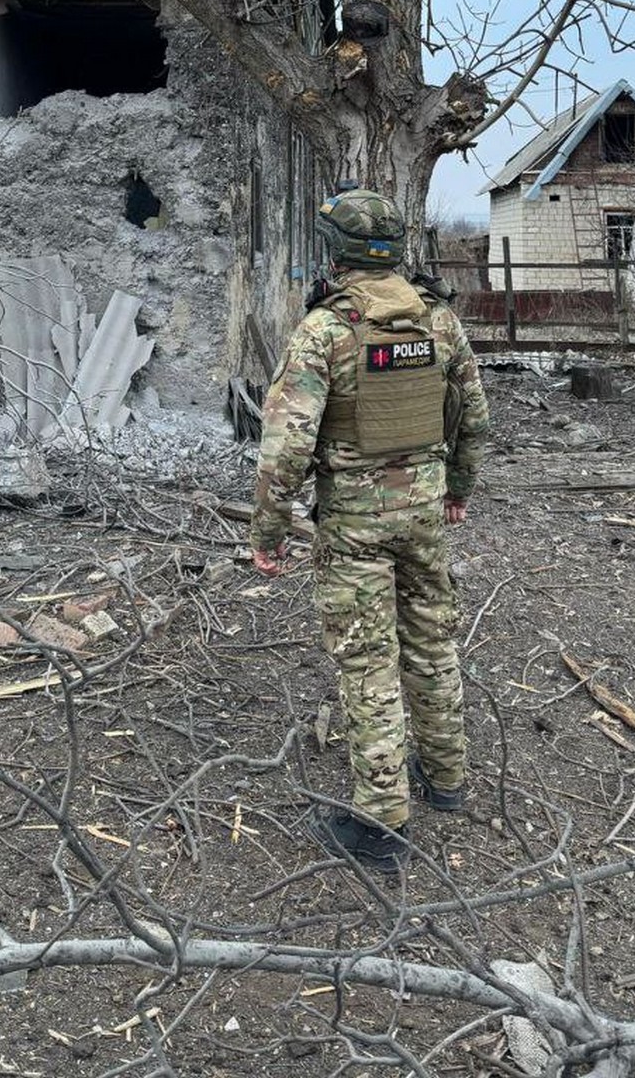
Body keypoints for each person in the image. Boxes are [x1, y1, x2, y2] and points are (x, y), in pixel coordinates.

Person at [250, 187, 489, 874]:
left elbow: (286, 447)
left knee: (368, 664)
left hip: (354, 524)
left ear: (337, 252)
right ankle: (445, 777)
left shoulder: (327, 330)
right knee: (431, 642)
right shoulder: (438, 320)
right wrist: (457, 492)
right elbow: (475, 418)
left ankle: (381, 825)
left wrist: (269, 531)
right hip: (423, 514)